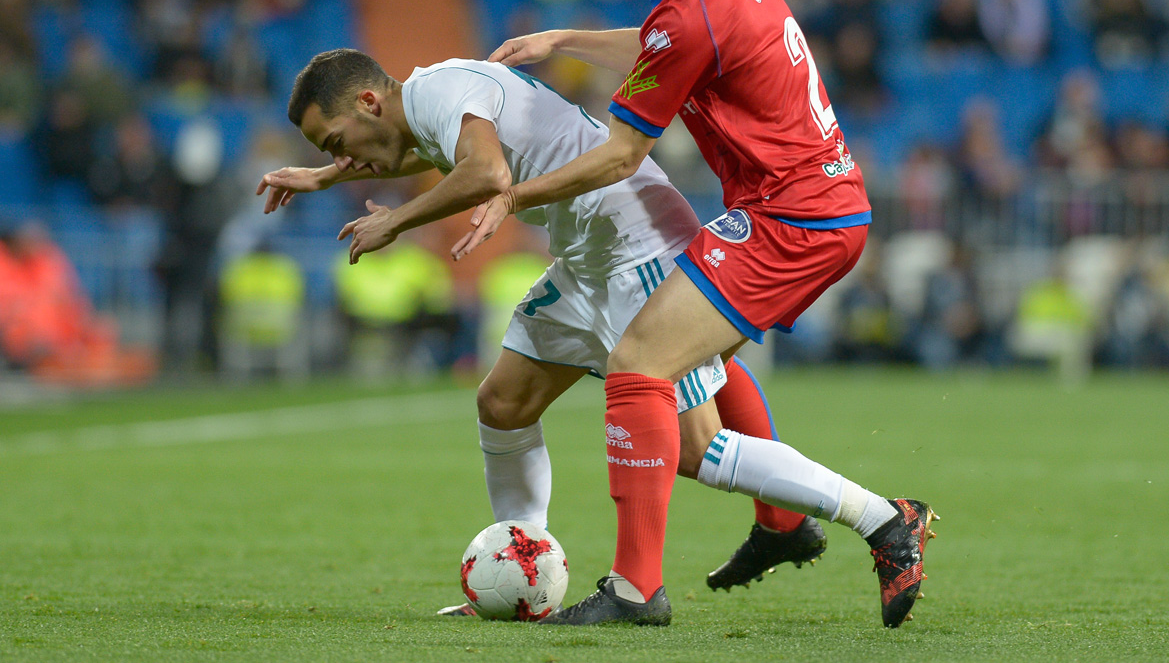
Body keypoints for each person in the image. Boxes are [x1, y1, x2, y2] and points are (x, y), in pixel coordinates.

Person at [457, 0, 937, 628]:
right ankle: (782, 525)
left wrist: (513, 196)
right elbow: (664, 47)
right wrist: (565, 41)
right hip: (810, 207)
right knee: (688, 370)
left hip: (793, 218)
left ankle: (644, 589)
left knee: (641, 366)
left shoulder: (692, 11)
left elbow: (619, 154)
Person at [257, 49, 829, 616]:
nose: (344, 156)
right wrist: (326, 175)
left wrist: (395, 221)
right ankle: (522, 568)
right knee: (503, 402)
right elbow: (429, 156)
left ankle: (872, 515)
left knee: (698, 445)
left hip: (633, 241)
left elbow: (485, 173)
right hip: (592, 251)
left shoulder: (439, 93)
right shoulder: (428, 100)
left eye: (336, 142)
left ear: (367, 102)